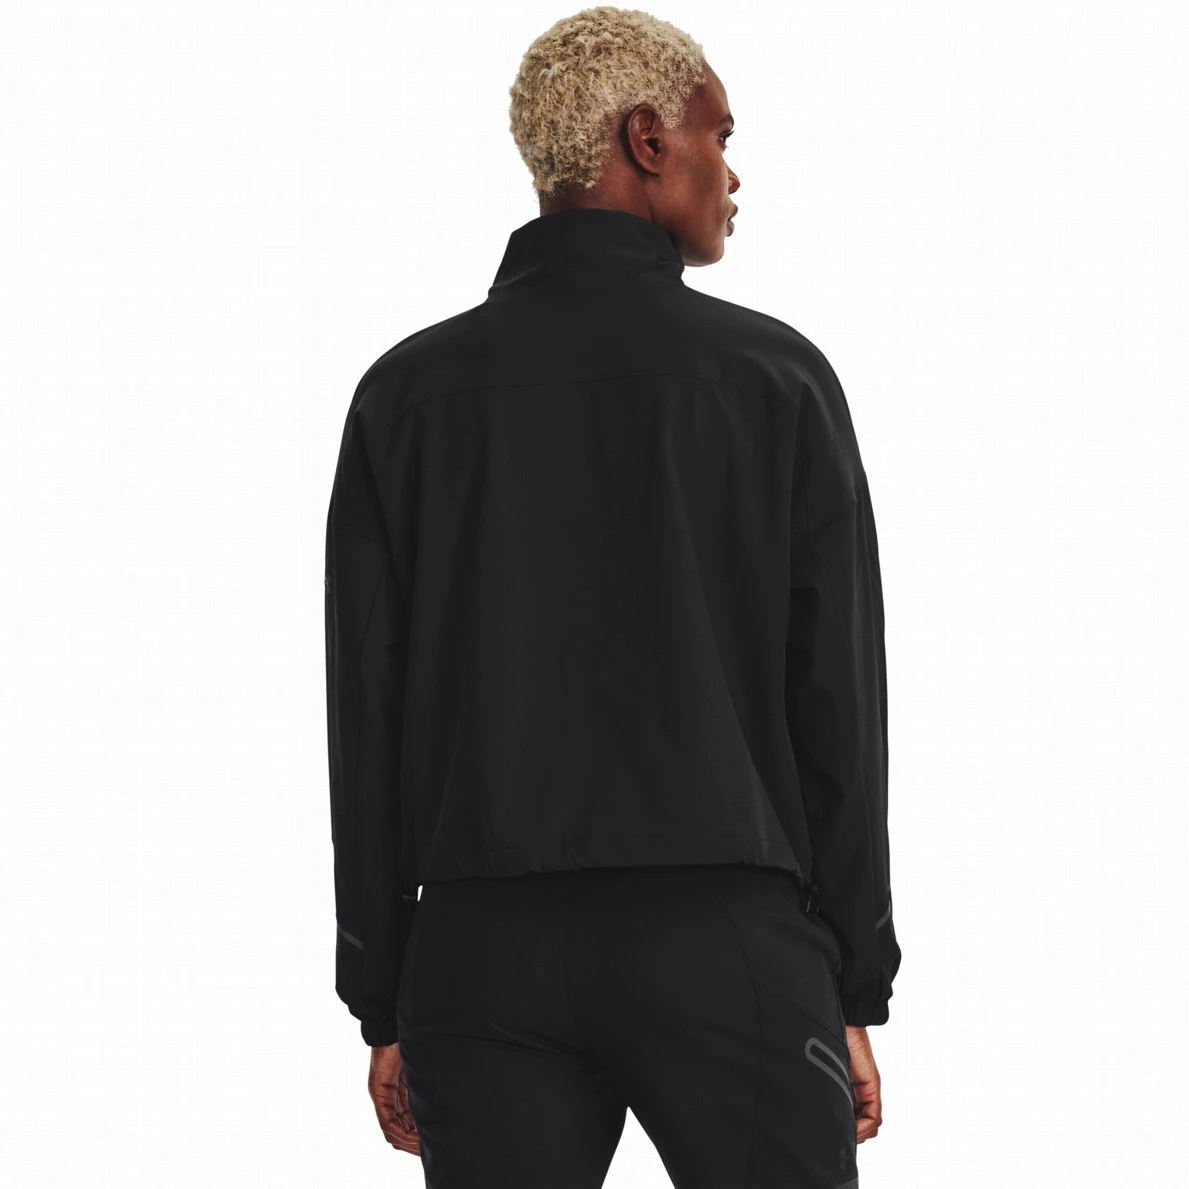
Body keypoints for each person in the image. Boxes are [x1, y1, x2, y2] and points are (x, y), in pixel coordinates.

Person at [323, 7, 902, 1186]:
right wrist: (850, 979)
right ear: (647, 140)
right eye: (717, 136)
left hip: (480, 953)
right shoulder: (774, 380)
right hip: (726, 945)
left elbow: (364, 717)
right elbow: (835, 705)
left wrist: (386, 989)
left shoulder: (405, 398)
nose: (730, 173)